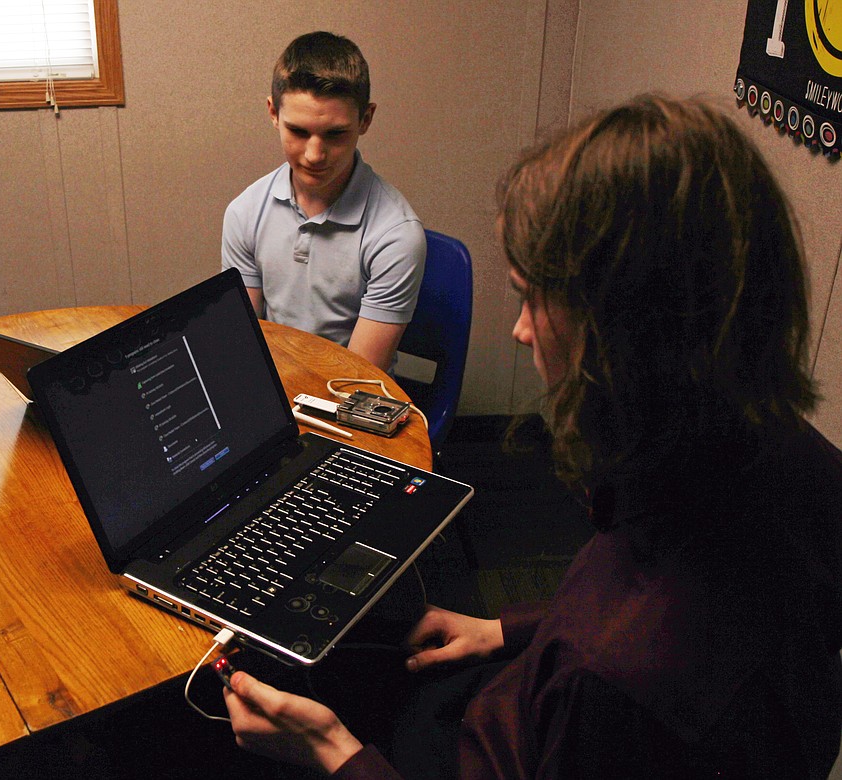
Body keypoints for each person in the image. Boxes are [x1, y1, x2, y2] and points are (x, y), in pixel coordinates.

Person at [222, 95, 842, 777]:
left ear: (622, 333)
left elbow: (618, 660)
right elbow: (622, 606)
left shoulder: (614, 689)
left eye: (532, 298)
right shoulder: (791, 457)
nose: (520, 330)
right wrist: (508, 629)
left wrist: (334, 754)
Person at [221, 31, 425, 373]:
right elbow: (243, 341)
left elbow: (356, 380)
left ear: (366, 119)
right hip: (276, 387)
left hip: (350, 400)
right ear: (273, 113)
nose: (315, 155)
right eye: (299, 132)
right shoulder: (244, 213)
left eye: (335, 134)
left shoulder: (397, 236)